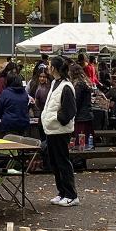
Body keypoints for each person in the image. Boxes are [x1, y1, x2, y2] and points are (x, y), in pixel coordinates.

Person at [42, 56, 79, 206]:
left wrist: (55, 117)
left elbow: (70, 110)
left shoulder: (66, 86)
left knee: (63, 162)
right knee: (55, 163)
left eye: (50, 65)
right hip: (51, 129)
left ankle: (71, 194)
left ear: (55, 68)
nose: (47, 67)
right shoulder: (54, 83)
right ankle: (62, 192)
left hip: (60, 130)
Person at [69, 64, 94, 146]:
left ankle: (80, 158)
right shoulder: (84, 82)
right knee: (84, 142)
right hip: (86, 116)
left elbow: (76, 102)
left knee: (80, 142)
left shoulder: (79, 85)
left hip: (81, 118)